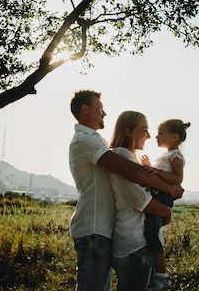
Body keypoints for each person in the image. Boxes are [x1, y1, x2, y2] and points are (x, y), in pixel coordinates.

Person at [68, 90, 184, 291]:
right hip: (94, 227)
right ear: (85, 110)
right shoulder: (84, 140)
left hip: (105, 228)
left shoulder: (100, 141)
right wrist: (170, 189)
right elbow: (131, 172)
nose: (104, 113)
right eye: (100, 108)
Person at [108, 111, 172, 291]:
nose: (149, 136)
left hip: (137, 241)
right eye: (144, 130)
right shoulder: (122, 155)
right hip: (133, 243)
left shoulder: (130, 156)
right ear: (128, 131)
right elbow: (139, 200)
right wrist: (167, 212)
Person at [141, 119, 190, 291]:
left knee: (152, 232)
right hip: (157, 194)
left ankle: (162, 275)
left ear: (175, 136)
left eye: (161, 133)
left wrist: (158, 172)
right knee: (149, 229)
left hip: (162, 197)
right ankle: (152, 267)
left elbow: (177, 179)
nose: (156, 136)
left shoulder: (175, 156)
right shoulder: (165, 155)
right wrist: (149, 167)